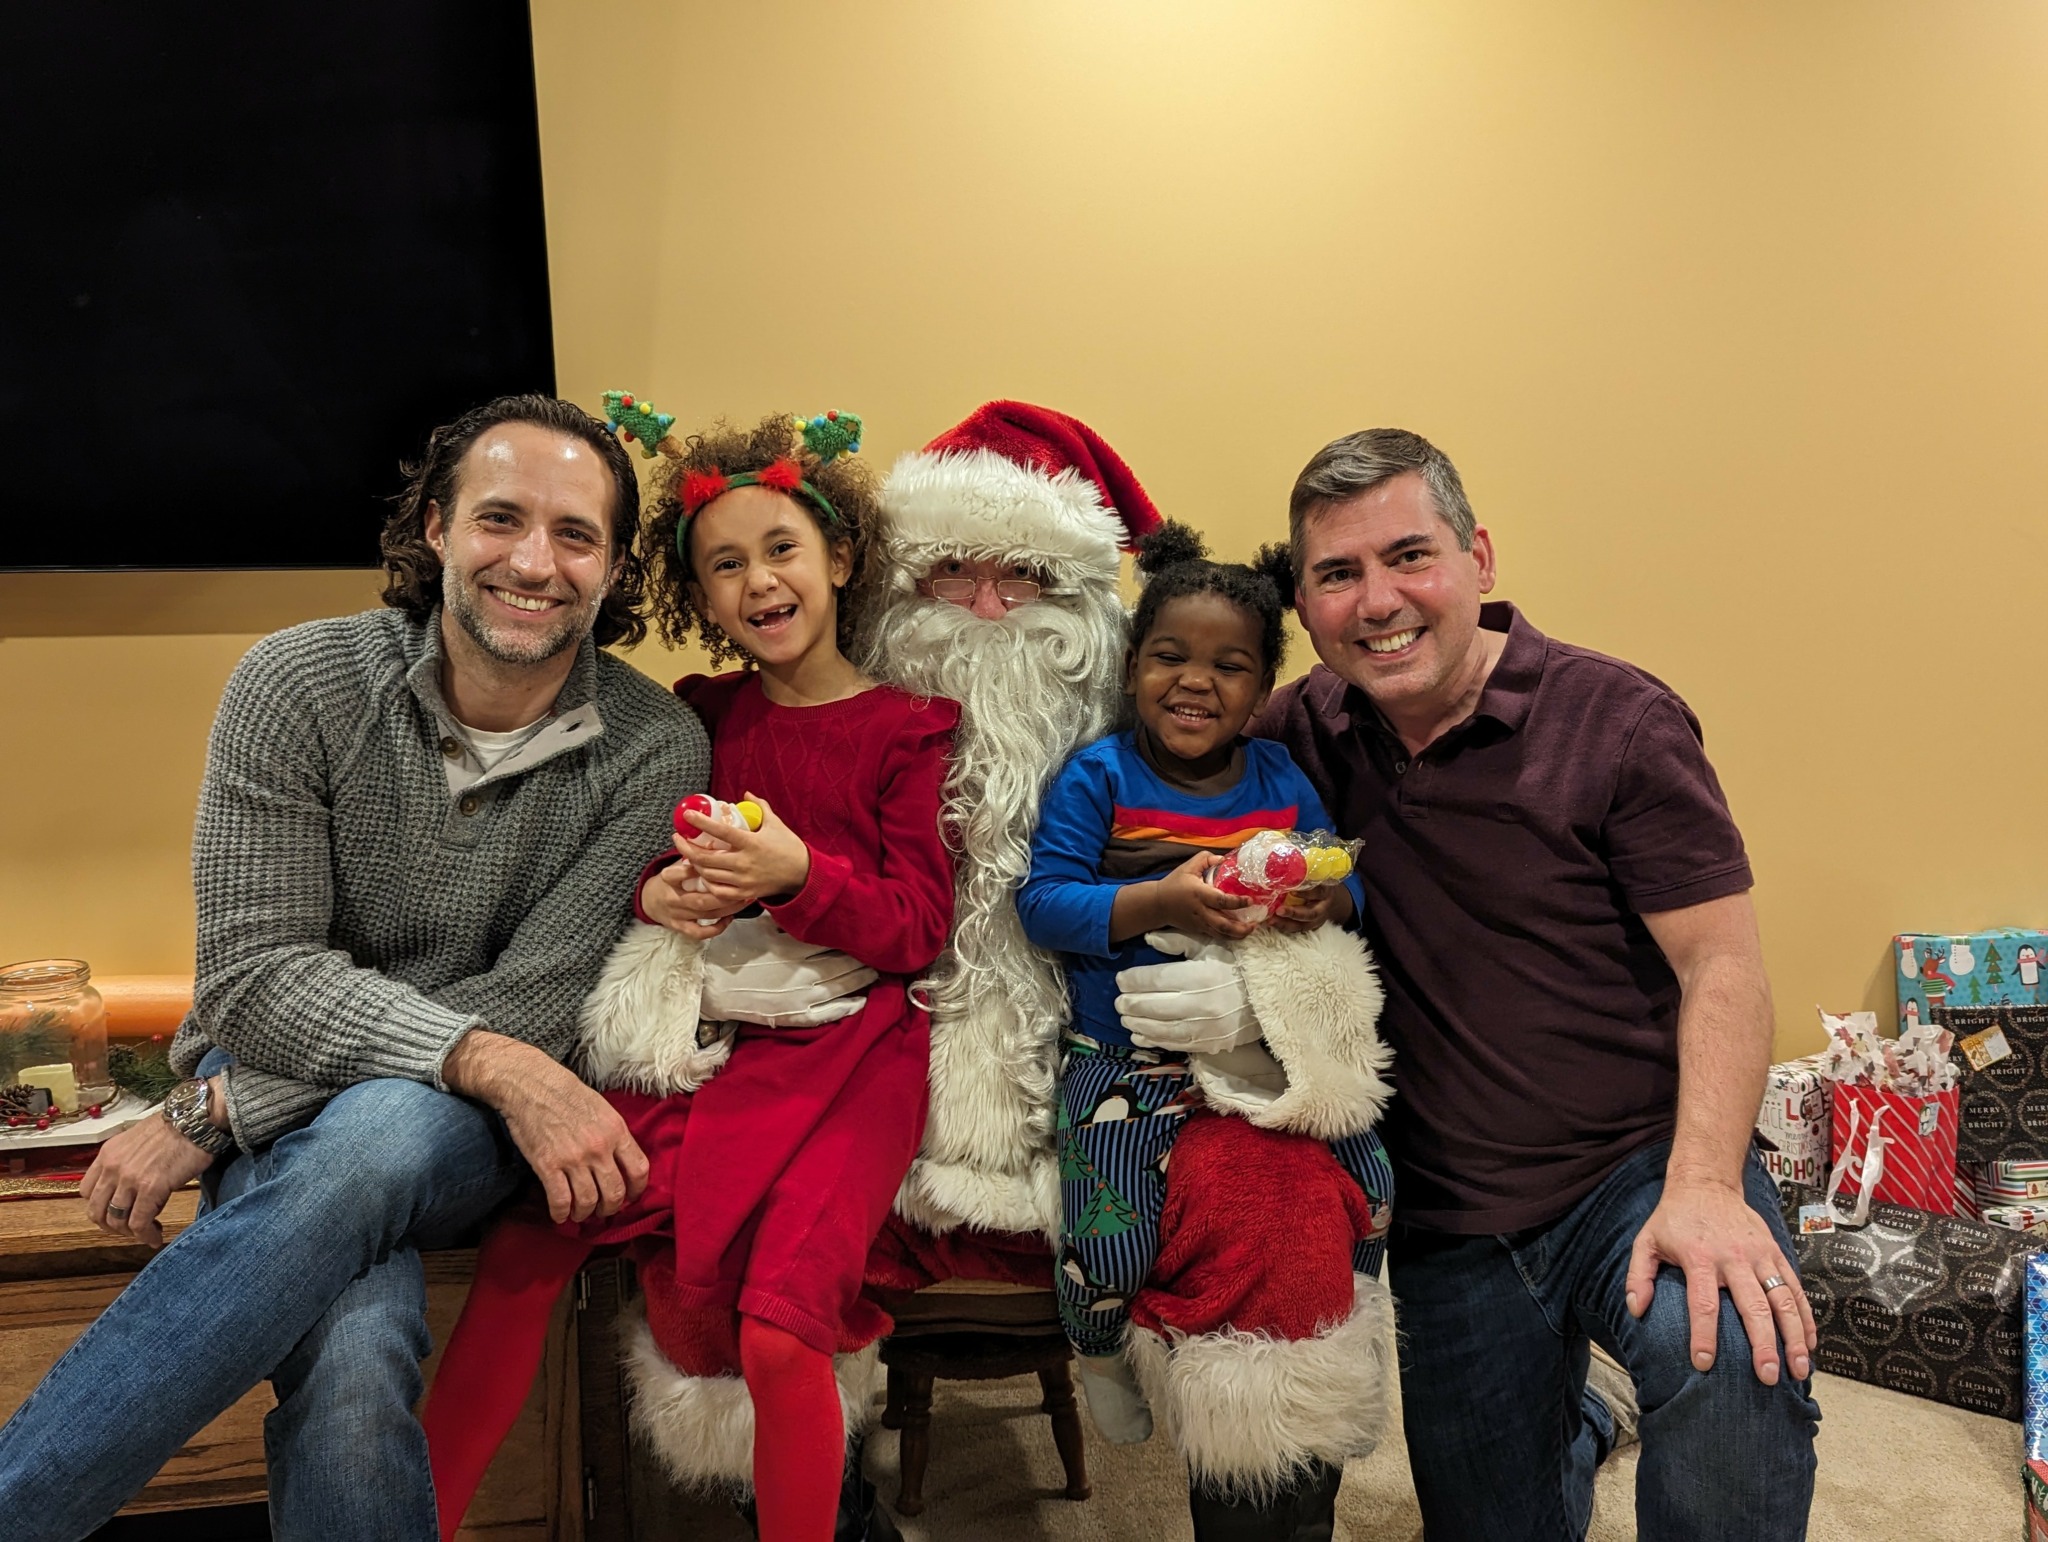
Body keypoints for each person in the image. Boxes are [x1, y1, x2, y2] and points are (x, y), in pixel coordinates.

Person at [0, 394, 709, 1540]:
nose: (535, 563)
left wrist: (232, 1110)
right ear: (435, 527)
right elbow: (254, 980)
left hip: (456, 1130)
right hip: (397, 1081)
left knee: (383, 1126)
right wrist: (476, 1059)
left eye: (575, 534)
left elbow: (535, 1005)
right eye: (499, 518)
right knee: (354, 1351)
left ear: (616, 565)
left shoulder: (655, 746)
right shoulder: (296, 682)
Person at [1223, 427, 1820, 1539]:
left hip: (1636, 1164)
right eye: (1338, 574)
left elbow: (1722, 962)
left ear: (1479, 559)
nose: (1378, 601)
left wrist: (1704, 1184)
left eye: (1409, 556)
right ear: (1303, 606)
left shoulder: (1618, 720)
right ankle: (1582, 1423)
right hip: (1449, 1216)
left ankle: (1609, 1395)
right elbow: (1150, 764)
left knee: (1735, 1352)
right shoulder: (1296, 731)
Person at [419, 410, 957, 1542]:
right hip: (714, 1045)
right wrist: (656, 892)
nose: (758, 581)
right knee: (525, 1248)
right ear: (697, 597)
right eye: (724, 565)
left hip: (855, 1060)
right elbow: (632, 857)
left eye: (780, 549)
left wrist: (799, 874)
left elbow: (918, 925)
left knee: (781, 1327)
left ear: (839, 559)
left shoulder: (907, 730)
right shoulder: (698, 717)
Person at [1016, 521, 1395, 1454]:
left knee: (1377, 1185)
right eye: (1170, 657)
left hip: (1260, 1049)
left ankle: (1351, 1339)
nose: (1196, 681)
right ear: (1132, 666)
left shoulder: (1278, 776)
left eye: (1229, 666)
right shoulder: (1099, 776)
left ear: (1262, 691)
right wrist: (1157, 898)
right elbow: (1044, 903)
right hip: (1124, 1057)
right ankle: (1098, 1348)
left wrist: (1330, 899)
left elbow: (1339, 875)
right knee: (1108, 1240)